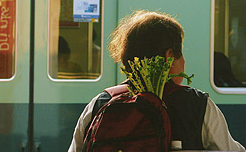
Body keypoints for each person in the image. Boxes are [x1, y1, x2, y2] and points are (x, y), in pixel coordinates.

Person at [68, 10, 246, 151]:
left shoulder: (100, 104)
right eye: (181, 54)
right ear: (169, 57)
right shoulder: (198, 105)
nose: (183, 62)